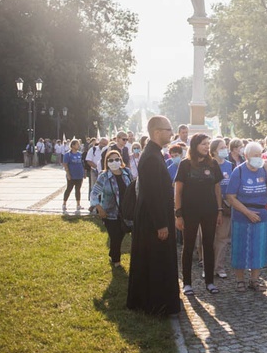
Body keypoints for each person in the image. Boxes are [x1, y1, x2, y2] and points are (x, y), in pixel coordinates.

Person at [126, 116, 181, 316]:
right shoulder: (150, 157)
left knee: (157, 261)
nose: (171, 133)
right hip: (152, 221)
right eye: (169, 129)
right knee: (154, 262)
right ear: (157, 132)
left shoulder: (155, 153)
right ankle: (154, 303)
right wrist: (161, 224)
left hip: (157, 217)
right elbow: (151, 194)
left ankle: (160, 301)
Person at [175, 133, 224, 296]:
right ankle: (187, 283)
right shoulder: (185, 165)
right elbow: (178, 191)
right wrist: (178, 214)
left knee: (209, 245)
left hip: (209, 210)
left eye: (208, 144)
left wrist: (219, 210)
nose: (206, 146)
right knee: (188, 246)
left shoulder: (213, 164)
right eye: (203, 143)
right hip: (190, 212)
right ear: (195, 145)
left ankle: (209, 282)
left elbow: (217, 189)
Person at [226, 142, 267, 292]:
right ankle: (240, 279)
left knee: (259, 248)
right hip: (242, 215)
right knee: (240, 247)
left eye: (260, 155)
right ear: (246, 156)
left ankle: (254, 279)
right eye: (255, 155)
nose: (258, 158)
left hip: (262, 215)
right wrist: (247, 212)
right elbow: (230, 197)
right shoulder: (238, 171)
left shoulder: (264, 170)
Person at [90, 149, 133, 267]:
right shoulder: (103, 176)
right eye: (111, 160)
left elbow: (133, 188)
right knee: (115, 237)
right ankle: (116, 260)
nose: (114, 162)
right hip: (110, 213)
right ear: (107, 162)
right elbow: (94, 194)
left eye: (117, 159)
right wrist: (99, 208)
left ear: (121, 160)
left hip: (126, 212)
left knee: (122, 234)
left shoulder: (127, 172)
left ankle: (113, 253)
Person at [211, 138, 233, 279]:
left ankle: (219, 267)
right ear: (214, 151)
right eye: (221, 147)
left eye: (226, 147)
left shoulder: (230, 165)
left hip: (226, 205)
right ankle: (208, 265)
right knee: (208, 237)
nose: (225, 149)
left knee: (222, 238)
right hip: (209, 204)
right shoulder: (208, 165)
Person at [62, 139, 85, 212]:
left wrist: (84, 173)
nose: (79, 145)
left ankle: (78, 204)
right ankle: (64, 203)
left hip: (79, 175)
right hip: (72, 175)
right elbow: (65, 165)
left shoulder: (80, 154)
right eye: (77, 144)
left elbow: (82, 164)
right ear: (73, 145)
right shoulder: (67, 155)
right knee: (69, 189)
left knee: (78, 190)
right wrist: (68, 174)